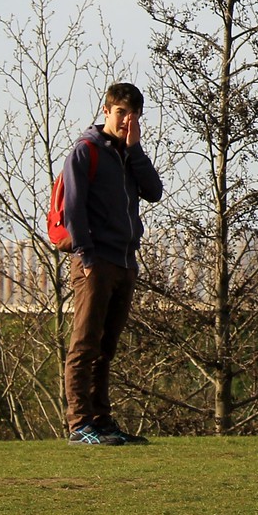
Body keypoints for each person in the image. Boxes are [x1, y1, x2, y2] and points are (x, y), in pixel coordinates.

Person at [61, 81, 163, 446]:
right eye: (120, 112)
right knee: (85, 344)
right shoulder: (85, 151)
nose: (126, 120)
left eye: (133, 115)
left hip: (124, 261)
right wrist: (86, 258)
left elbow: (153, 191)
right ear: (107, 111)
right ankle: (79, 424)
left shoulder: (129, 155)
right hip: (94, 261)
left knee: (107, 347)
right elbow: (72, 209)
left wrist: (135, 150)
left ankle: (102, 421)